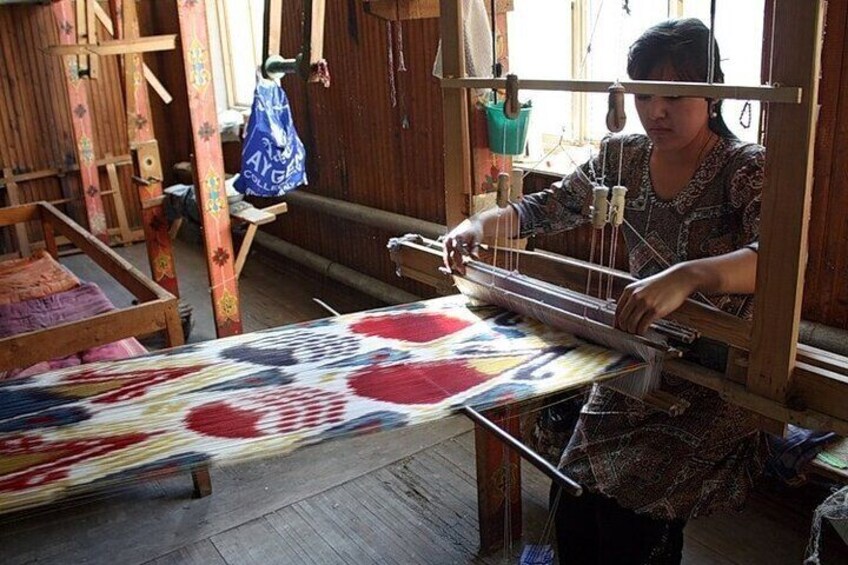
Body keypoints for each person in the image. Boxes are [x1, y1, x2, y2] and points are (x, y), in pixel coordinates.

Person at [443, 18, 767, 565]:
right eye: (643, 95)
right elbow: (548, 207)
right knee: (574, 494)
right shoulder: (625, 158)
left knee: (633, 523)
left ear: (712, 94)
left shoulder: (744, 168)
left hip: (716, 377)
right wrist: (478, 226)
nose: (655, 111)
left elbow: (774, 259)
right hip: (638, 357)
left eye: (674, 97)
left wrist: (688, 275)